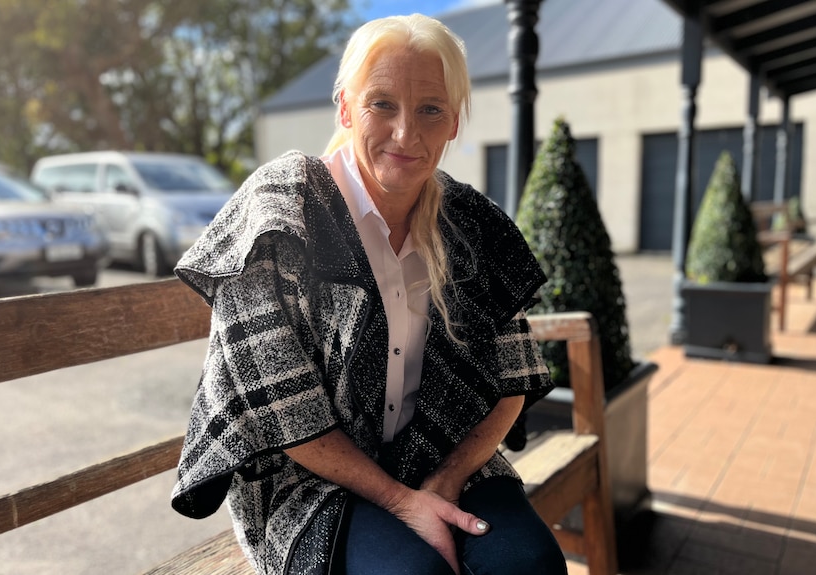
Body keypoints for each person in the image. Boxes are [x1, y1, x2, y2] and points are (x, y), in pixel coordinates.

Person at [171, 13, 567, 575]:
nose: (406, 133)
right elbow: (278, 405)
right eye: (382, 104)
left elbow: (511, 378)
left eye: (430, 109)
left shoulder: (471, 223)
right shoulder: (282, 210)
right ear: (345, 109)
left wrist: (444, 483)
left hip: (441, 452)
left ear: (453, 123)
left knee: (527, 566)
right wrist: (403, 503)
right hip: (305, 477)